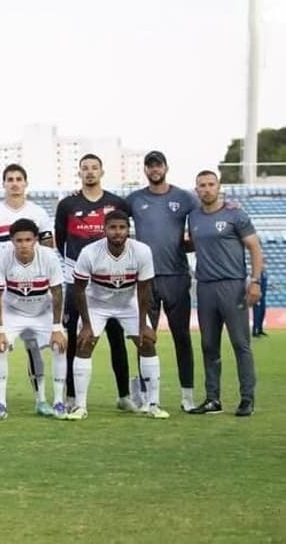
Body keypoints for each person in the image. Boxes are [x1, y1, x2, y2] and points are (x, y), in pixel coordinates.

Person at [69, 211, 168, 420]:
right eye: (112, 228)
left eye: (122, 228)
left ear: (128, 230)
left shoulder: (141, 251)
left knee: (147, 342)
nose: (117, 232)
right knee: (85, 344)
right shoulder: (89, 252)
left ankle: (153, 404)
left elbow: (143, 290)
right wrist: (86, 325)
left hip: (127, 303)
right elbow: (78, 289)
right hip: (96, 304)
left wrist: (143, 324)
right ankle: (79, 406)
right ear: (104, 230)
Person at [55, 154, 134, 412]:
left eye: (94, 168)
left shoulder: (116, 202)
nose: (89, 172)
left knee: (116, 337)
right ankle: (70, 395)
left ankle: (124, 395)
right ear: (79, 173)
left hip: (110, 282)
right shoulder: (67, 204)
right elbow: (60, 239)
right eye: (85, 168)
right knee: (76, 338)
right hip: (76, 282)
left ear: (102, 171)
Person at [0, 164, 56, 416]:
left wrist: (26, 274)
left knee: (33, 345)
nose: (14, 183)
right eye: (9, 179)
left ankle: (41, 399)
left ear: (25, 183)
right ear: (4, 184)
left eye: (18, 179)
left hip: (34, 294)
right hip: (2, 291)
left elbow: (48, 247)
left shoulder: (39, 213)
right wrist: (6, 273)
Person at [125, 151, 199, 412]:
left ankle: (187, 397)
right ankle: (145, 395)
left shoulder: (184, 198)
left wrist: (188, 245)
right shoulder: (135, 199)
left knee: (182, 338)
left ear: (166, 167)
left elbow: (202, 225)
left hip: (177, 277)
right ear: (145, 170)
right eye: (150, 166)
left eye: (158, 165)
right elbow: (113, 221)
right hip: (145, 279)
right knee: (145, 338)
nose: (155, 170)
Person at [188, 171, 264, 417]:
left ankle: (247, 399)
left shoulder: (235, 214)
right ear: (196, 189)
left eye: (211, 184)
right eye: (202, 185)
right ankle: (212, 399)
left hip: (232, 286)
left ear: (219, 186)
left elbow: (254, 248)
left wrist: (254, 281)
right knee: (209, 345)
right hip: (205, 287)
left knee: (241, 344)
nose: (207, 189)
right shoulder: (194, 217)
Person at [0, 218, 67, 420]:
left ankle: (57, 402)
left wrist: (57, 328)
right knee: (0, 347)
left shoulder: (49, 257)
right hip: (13, 311)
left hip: (42, 312)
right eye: (19, 240)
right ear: (12, 241)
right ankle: (0, 404)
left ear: (36, 240)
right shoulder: (1, 257)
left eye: (28, 240)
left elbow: (57, 292)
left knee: (59, 346)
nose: (24, 245)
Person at [252, 270, 269, 338]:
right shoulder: (257, 274)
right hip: (258, 297)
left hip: (263, 297)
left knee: (262, 313)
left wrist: (270, 286)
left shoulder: (265, 273)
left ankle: (260, 329)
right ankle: (254, 331)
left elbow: (264, 284)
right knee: (257, 314)